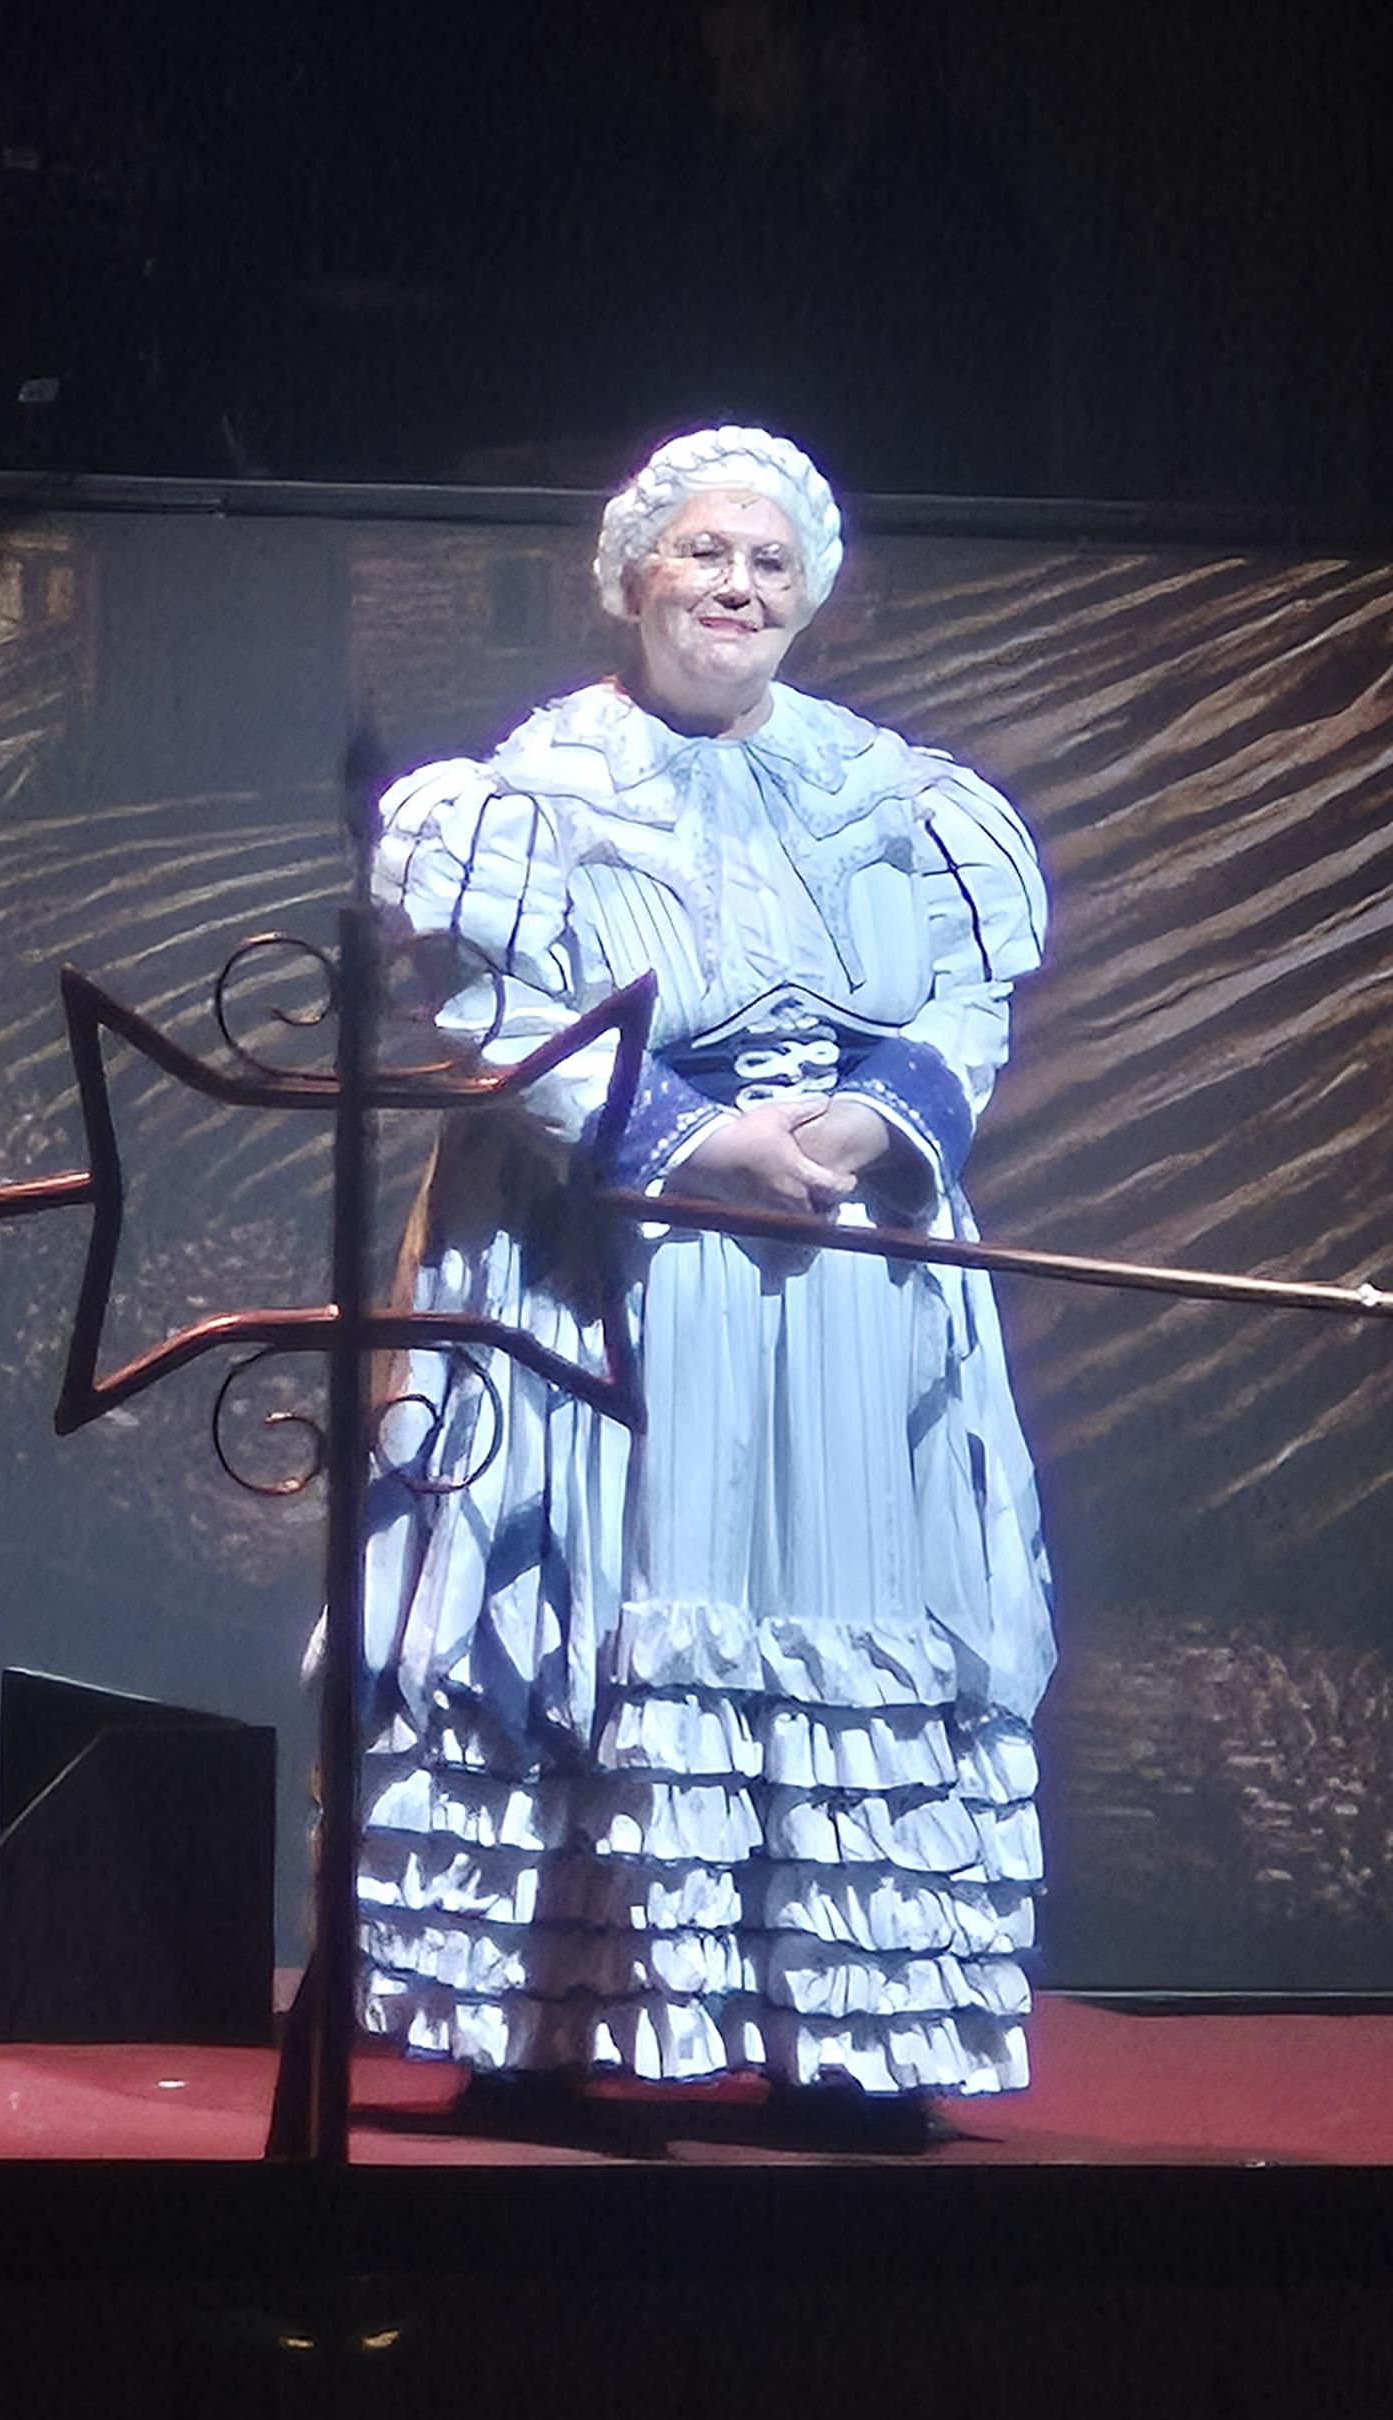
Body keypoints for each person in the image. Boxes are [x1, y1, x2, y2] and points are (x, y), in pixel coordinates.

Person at [356, 424, 1054, 2142]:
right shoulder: (530, 794)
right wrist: (694, 1139)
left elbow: (963, 1003)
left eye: (769, 563)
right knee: (604, 1607)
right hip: (617, 1255)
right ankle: (549, 2023)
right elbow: (493, 1010)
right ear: (632, 576)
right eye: (704, 553)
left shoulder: (897, 796)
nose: (736, 587)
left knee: (846, 1606)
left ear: (808, 596)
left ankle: (852, 2038)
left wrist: (875, 1123)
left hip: (845, 1272)